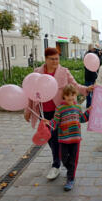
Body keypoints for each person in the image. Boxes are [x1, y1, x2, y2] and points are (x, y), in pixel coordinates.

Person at [24, 48, 93, 181]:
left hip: (59, 111)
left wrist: (86, 89)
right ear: (46, 59)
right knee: (49, 138)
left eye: (57, 58)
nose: (55, 61)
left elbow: (74, 85)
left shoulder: (63, 72)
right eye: (52, 59)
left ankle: (56, 164)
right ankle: (58, 158)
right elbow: (30, 92)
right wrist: (28, 110)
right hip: (43, 113)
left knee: (56, 139)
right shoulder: (37, 72)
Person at [44, 84, 92, 191]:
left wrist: (89, 111)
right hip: (63, 139)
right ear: (64, 96)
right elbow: (55, 122)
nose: (71, 97)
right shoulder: (60, 108)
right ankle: (71, 169)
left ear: (76, 95)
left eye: (73, 95)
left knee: (73, 159)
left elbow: (82, 119)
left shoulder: (78, 107)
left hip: (75, 138)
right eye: (68, 95)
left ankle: (70, 179)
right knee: (63, 157)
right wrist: (48, 123)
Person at [84, 44, 102, 108]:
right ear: (91, 48)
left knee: (94, 93)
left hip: (93, 77)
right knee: (88, 92)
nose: (95, 50)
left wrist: (99, 55)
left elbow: (99, 63)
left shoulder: (94, 54)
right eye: (94, 48)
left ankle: (92, 105)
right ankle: (89, 105)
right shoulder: (88, 54)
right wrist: (98, 54)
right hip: (89, 77)